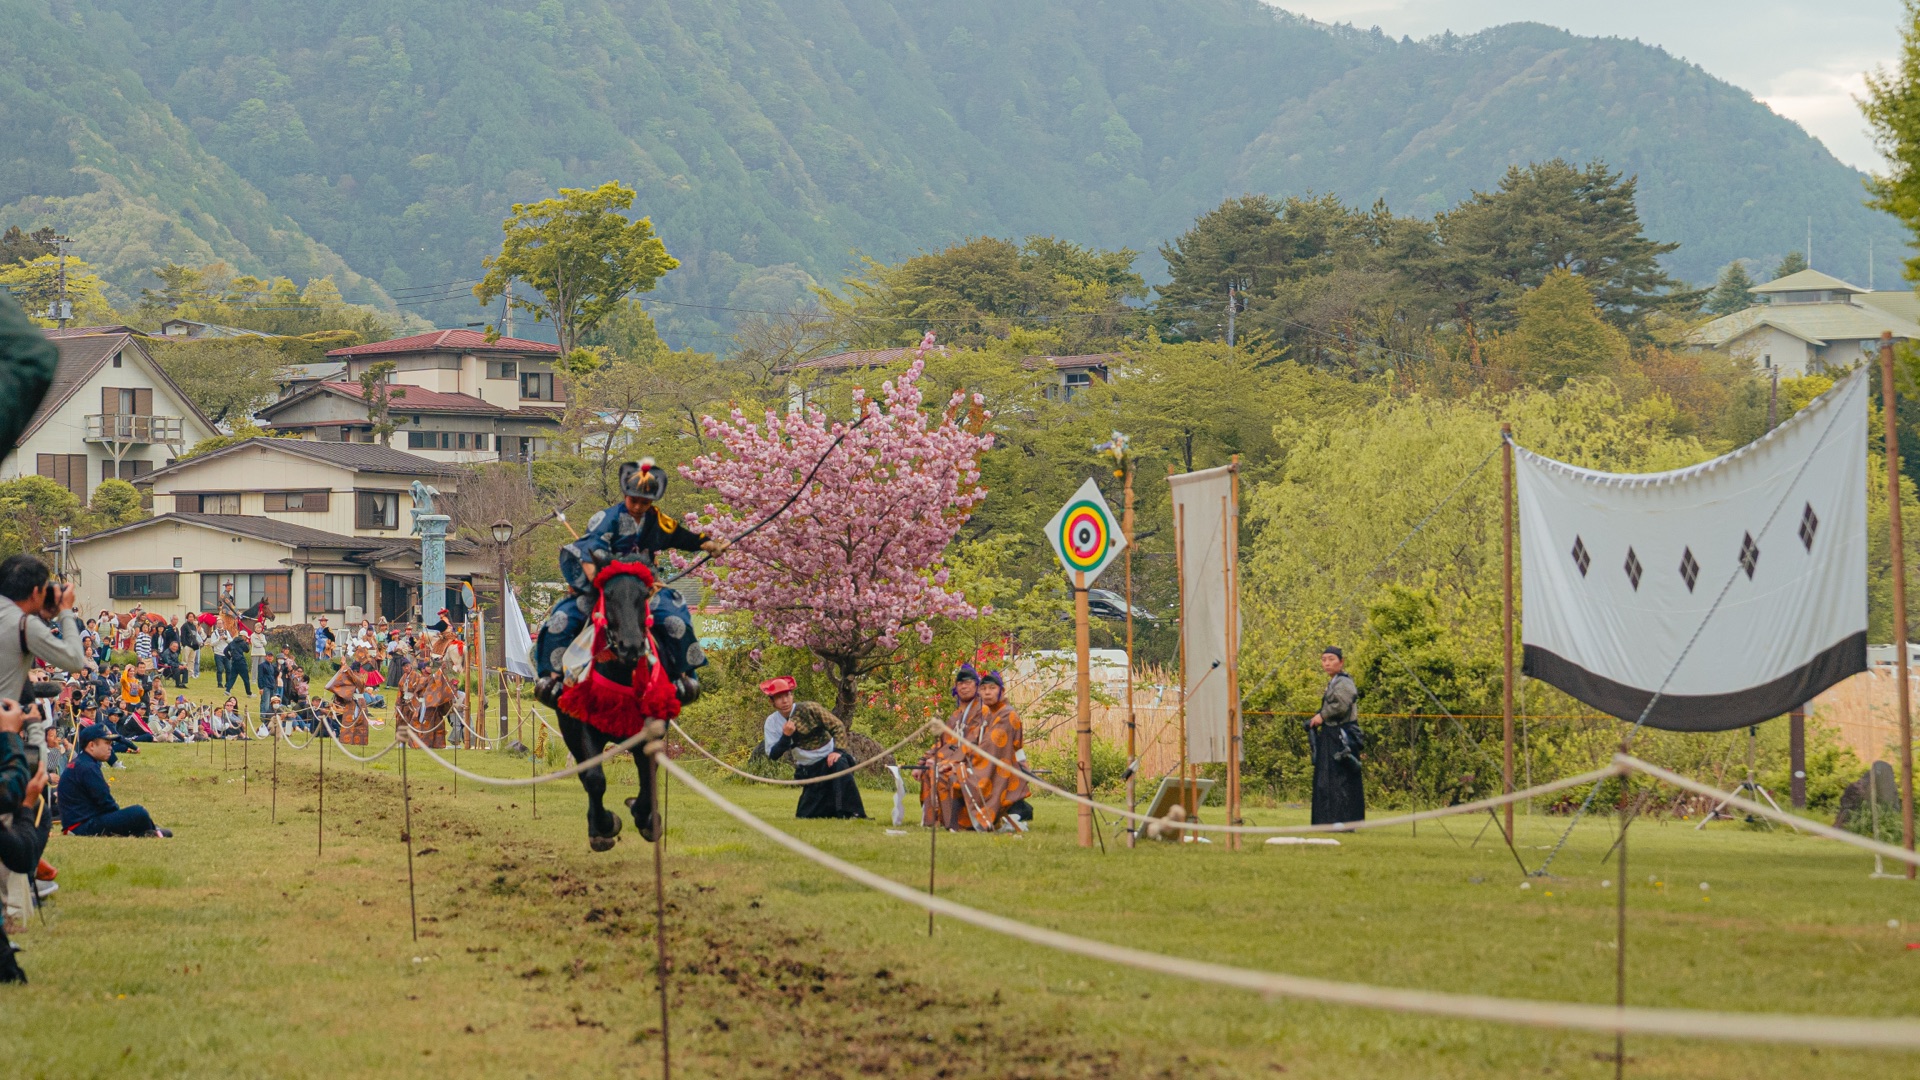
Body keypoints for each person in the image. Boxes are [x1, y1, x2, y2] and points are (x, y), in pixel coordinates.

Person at [533, 459, 727, 700]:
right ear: (625, 495)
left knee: (675, 615)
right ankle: (551, 678)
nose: (637, 506)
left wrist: (707, 544)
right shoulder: (606, 517)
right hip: (605, 586)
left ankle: (684, 676)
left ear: (652, 502)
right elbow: (590, 546)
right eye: (633, 500)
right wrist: (596, 573)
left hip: (645, 588)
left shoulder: (656, 519)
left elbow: (679, 535)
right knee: (562, 618)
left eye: (644, 502)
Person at [922, 666, 1029, 832]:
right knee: (942, 772)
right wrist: (943, 760)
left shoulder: (1007, 714)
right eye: (984, 689)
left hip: (1001, 769)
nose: (987, 693)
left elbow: (990, 747)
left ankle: (966, 824)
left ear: (1001, 691)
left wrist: (956, 764)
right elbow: (968, 741)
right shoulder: (987, 713)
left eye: (992, 688)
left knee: (955, 775)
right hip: (982, 763)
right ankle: (949, 823)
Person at [759, 676, 866, 819]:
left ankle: (854, 813)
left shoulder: (810, 708)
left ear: (792, 696)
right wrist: (786, 736)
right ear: (772, 702)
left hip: (830, 760)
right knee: (805, 815)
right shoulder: (772, 723)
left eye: (787, 695)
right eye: (779, 697)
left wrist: (838, 751)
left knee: (840, 764)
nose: (784, 701)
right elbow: (773, 754)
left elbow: (837, 726)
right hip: (809, 769)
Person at [59, 724, 170, 837]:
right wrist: (122, 819)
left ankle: (150, 831)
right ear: (91, 745)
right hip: (82, 826)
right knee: (138, 812)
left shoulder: (82, 763)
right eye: (106, 743)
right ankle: (151, 831)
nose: (110, 747)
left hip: (78, 822)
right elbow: (106, 803)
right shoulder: (87, 767)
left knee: (135, 815)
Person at [1306, 646, 1365, 826]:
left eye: (1331, 659)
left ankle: (1342, 820)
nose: (1327, 663)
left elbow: (1342, 704)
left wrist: (1322, 716)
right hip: (1330, 734)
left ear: (1341, 661)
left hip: (1342, 736)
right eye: (1324, 660)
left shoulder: (1344, 682)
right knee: (1327, 779)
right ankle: (1328, 819)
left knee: (1340, 779)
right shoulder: (1333, 682)